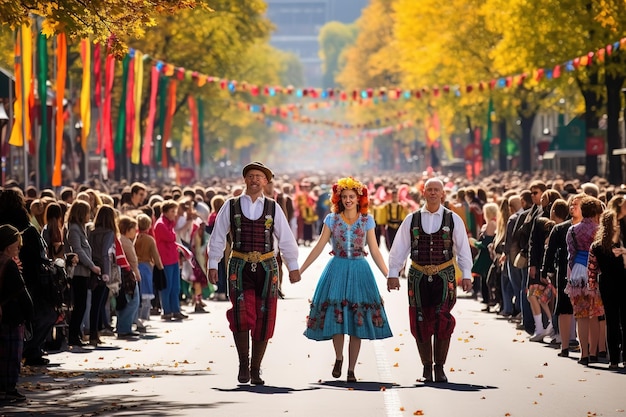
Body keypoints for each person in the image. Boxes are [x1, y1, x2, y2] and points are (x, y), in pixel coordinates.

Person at [208, 162, 301, 385]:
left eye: (259, 176)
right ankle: (243, 364)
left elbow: (285, 238)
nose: (255, 180)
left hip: (267, 266)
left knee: (265, 315)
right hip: (239, 265)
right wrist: (213, 262)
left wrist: (293, 266)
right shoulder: (230, 205)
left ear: (266, 182)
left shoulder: (273, 207)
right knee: (241, 313)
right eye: (251, 176)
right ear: (245, 179)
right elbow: (218, 235)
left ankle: (256, 369)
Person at [300, 177, 394, 383]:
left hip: (360, 269)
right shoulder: (331, 220)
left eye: (352, 196)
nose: (348, 200)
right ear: (338, 198)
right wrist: (301, 269)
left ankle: (351, 369)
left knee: (357, 319)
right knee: (337, 316)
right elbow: (319, 246)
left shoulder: (367, 220)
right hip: (338, 268)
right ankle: (339, 357)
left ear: (359, 198)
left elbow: (376, 251)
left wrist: (389, 274)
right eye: (344, 197)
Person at [388, 178, 473, 383]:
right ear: (423, 193)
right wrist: (393, 273)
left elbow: (463, 249)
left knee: (442, 318)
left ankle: (440, 367)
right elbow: (400, 247)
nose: (433, 193)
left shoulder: (453, 219)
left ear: (443, 194)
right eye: (430, 190)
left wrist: (467, 274)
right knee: (420, 320)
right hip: (417, 276)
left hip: (445, 276)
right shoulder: (412, 219)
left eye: (437, 190)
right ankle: (426, 368)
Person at [566, 196, 603, 365]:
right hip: (596, 271)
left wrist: (570, 275)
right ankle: (595, 352)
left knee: (581, 315)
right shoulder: (600, 230)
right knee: (595, 314)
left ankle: (584, 354)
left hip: (578, 271)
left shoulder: (573, 230)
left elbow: (571, 255)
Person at [0, 224, 34, 403]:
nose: (18, 248)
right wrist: (30, 315)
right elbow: (22, 293)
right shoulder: (10, 265)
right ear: (8, 246)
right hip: (12, 316)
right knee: (12, 355)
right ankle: (9, 389)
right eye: (16, 245)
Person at [588, 209, 625, 369]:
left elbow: (591, 269)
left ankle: (614, 360)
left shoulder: (596, 246)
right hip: (623, 281)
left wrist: (592, 286)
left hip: (606, 284)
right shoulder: (621, 244)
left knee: (612, 322)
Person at [65, 200, 101, 347]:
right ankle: (73, 336)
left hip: (83, 273)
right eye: (87, 212)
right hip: (78, 273)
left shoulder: (81, 229)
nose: (89, 215)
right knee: (80, 305)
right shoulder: (74, 229)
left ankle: (76, 334)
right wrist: (92, 266)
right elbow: (78, 251)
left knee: (82, 305)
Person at [154, 200, 187, 321]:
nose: (175, 213)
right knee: (167, 287)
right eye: (172, 211)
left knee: (175, 287)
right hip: (165, 260)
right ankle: (166, 310)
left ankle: (175, 310)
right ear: (166, 212)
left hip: (173, 259)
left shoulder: (169, 224)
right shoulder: (161, 224)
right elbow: (171, 237)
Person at [134, 214, 164, 321]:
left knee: (138, 293)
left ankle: (136, 317)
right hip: (146, 266)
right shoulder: (150, 239)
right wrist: (160, 267)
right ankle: (144, 317)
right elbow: (156, 256)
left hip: (136, 266)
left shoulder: (135, 238)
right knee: (146, 293)